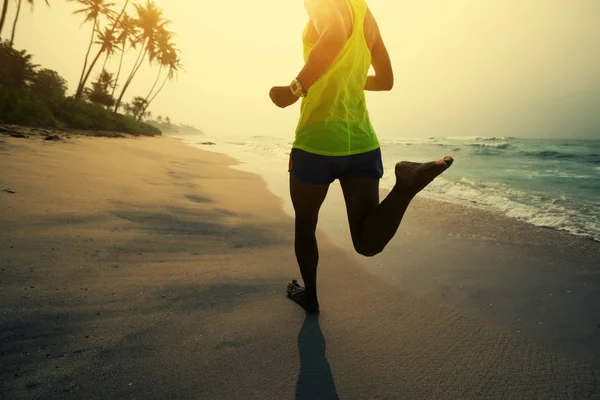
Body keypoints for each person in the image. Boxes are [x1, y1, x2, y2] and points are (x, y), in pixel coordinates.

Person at [269, 0, 453, 313]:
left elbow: (334, 38)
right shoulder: (365, 14)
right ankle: (405, 187)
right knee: (367, 241)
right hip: (362, 144)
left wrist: (294, 89)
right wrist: (347, 79)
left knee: (305, 226)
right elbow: (386, 80)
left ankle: (310, 296)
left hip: (318, 141)